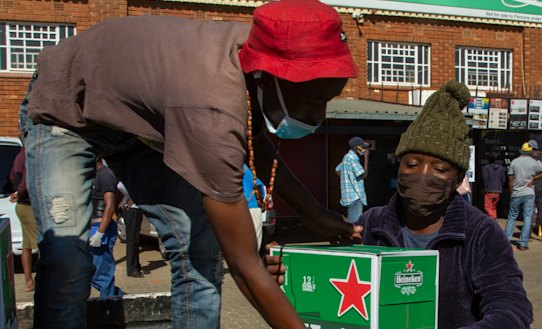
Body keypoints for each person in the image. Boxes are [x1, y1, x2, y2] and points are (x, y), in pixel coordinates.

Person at [21, 1, 361, 328]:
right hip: (67, 108)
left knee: (198, 249)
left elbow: (250, 142)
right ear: (267, 76)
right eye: (315, 101)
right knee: (68, 258)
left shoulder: (261, 59)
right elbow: (245, 267)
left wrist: (313, 213)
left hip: (143, 120)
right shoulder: (209, 108)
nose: (320, 116)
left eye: (327, 100)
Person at [266, 81, 533, 328]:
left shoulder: (480, 233)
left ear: (458, 179)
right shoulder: (370, 225)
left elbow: (511, 307)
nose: (423, 175)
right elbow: (333, 290)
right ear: (400, 166)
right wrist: (289, 273)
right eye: (412, 164)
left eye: (439, 168)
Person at [504, 140, 542, 251]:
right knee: (527, 217)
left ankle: (506, 241)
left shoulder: (514, 162)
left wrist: (512, 192)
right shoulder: (534, 162)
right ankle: (523, 243)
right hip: (529, 193)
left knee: (512, 217)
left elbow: (510, 178)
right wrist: (534, 178)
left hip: (516, 193)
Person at [90, 157, 123, 297]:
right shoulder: (93, 175)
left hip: (101, 227)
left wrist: (100, 232)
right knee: (91, 271)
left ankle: (109, 303)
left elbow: (109, 207)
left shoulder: (105, 175)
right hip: (92, 226)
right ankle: (115, 296)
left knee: (102, 272)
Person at [9, 146, 39, 293]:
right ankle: (39, 280)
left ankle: (29, 281)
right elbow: (27, 180)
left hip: (22, 205)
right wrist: (20, 193)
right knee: (42, 242)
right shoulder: (29, 155)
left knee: (26, 244)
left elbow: (13, 176)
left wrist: (17, 192)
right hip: (30, 205)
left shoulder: (20, 155)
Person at [335, 136, 370, 223]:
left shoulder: (346, 157)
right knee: (354, 226)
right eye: (362, 147)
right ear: (356, 147)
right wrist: (366, 157)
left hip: (349, 196)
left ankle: (346, 236)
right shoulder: (352, 159)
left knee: (350, 223)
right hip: (355, 196)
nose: (363, 149)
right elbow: (364, 175)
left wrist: (347, 177)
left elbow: (337, 170)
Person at [117, 181, 145, 277]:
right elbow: (120, 186)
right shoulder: (132, 177)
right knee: (133, 240)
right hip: (133, 210)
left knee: (134, 240)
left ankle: (135, 266)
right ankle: (132, 269)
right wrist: (132, 196)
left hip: (133, 209)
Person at [242, 164, 266, 251]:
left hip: (237, 209)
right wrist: (261, 202)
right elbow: (258, 186)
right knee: (255, 240)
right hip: (252, 207)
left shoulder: (229, 166)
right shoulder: (246, 168)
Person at [481, 154, 506, 219]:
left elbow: (485, 179)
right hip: (498, 190)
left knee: (487, 206)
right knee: (493, 206)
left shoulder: (485, 168)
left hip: (489, 190)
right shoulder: (501, 168)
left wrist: (484, 188)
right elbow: (503, 180)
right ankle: (492, 218)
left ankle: (493, 218)